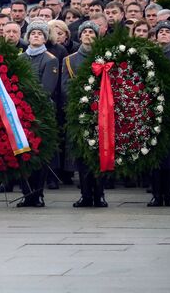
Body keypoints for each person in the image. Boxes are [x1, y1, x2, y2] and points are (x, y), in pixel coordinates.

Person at [62, 21, 108, 208]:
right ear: (79, 37)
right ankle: (85, 194)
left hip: (102, 111)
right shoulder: (70, 60)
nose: (88, 35)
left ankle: (100, 194)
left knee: (100, 154)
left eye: (92, 32)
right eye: (85, 32)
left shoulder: (105, 57)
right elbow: (65, 87)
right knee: (82, 155)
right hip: (79, 111)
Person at [18, 21, 59, 207]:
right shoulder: (21, 59)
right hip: (21, 112)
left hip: (40, 112)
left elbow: (46, 89)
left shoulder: (50, 59)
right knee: (23, 153)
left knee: (39, 154)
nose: (35, 36)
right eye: (32, 33)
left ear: (45, 38)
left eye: (40, 34)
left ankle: (38, 193)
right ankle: (27, 193)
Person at [148, 21, 170, 207]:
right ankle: (156, 193)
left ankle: (168, 193)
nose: (163, 34)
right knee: (154, 151)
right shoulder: (149, 56)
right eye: (160, 31)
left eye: (167, 32)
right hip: (151, 107)